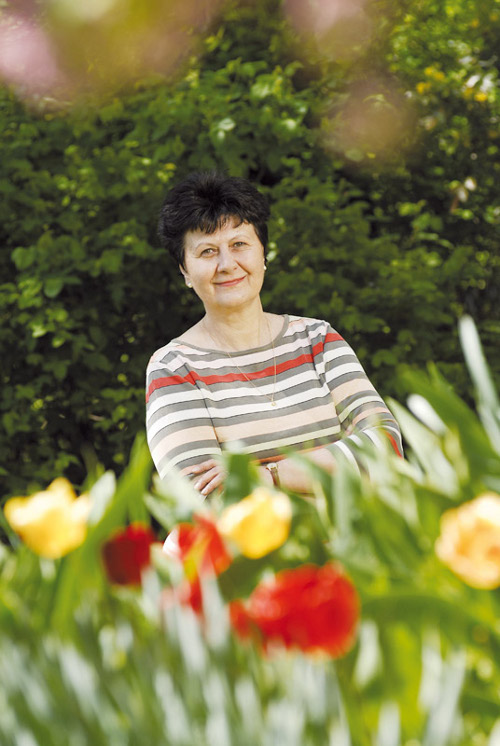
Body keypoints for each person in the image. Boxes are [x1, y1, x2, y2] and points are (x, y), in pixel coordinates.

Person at [146, 171, 402, 497]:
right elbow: (201, 497)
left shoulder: (318, 339)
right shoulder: (174, 368)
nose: (227, 264)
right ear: (184, 269)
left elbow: (387, 446)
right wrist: (336, 466)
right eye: (207, 251)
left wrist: (269, 476)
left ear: (263, 253)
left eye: (239, 244)